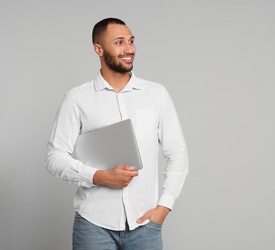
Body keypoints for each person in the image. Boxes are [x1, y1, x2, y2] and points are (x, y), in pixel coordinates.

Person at [45, 18, 189, 250]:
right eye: (119, 42)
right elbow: (54, 158)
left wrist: (164, 207)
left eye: (131, 41)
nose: (129, 49)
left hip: (145, 226)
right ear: (98, 49)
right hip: (93, 225)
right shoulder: (77, 98)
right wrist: (100, 176)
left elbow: (178, 154)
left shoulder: (156, 94)